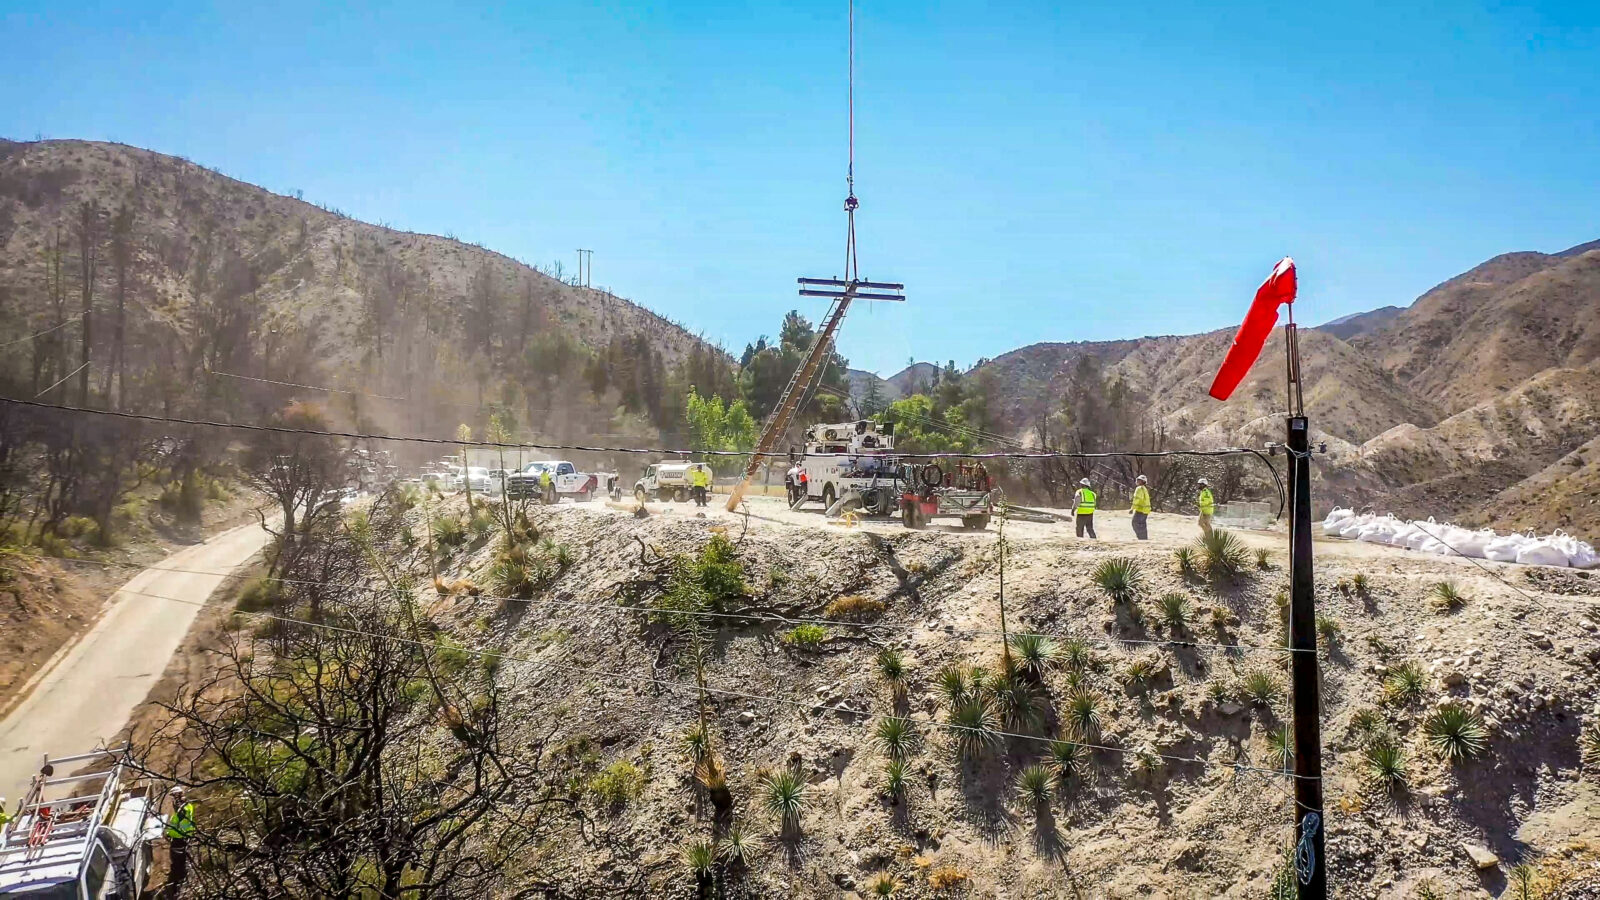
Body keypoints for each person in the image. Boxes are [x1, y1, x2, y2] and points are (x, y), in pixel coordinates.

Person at [164, 787, 197, 898]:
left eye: (174, 798)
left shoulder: (182, 811)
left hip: (179, 839)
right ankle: (180, 881)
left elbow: (178, 826)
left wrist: (169, 833)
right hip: (184, 837)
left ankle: (176, 888)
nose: (173, 803)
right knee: (181, 861)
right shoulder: (187, 807)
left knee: (177, 863)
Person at [1130, 474, 1151, 541]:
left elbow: (1137, 499)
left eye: (1139, 480)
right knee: (1142, 525)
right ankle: (1144, 538)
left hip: (1141, 510)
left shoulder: (1139, 489)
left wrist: (1132, 508)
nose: (1137, 481)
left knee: (1135, 523)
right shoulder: (1144, 489)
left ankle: (1141, 538)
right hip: (1146, 510)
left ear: (1142, 481)